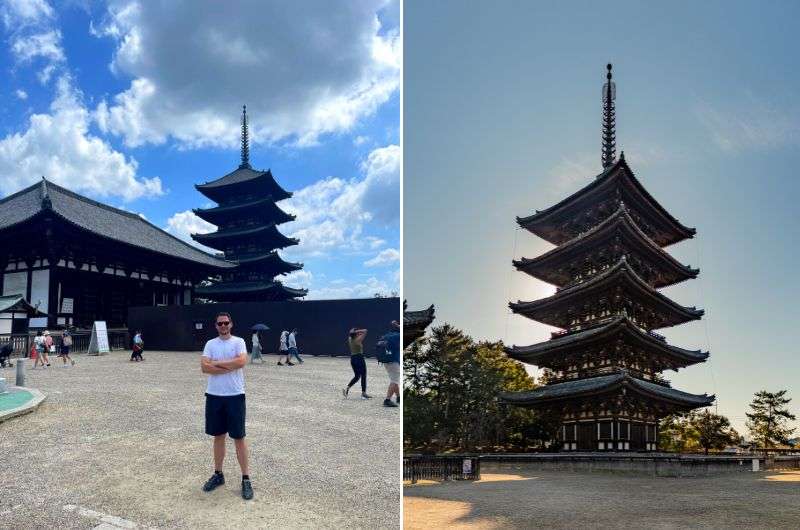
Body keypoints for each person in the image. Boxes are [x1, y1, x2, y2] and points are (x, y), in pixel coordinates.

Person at [200, 312, 253, 500]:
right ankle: (218, 474)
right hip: (214, 395)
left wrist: (217, 363)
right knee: (218, 437)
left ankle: (246, 478)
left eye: (226, 323)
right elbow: (204, 367)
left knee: (239, 437)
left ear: (231, 324)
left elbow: (241, 362)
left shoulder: (239, 342)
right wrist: (229, 365)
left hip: (235, 395)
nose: (223, 326)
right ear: (216, 326)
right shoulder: (210, 344)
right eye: (220, 323)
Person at [342, 328, 371, 399]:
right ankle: (363, 393)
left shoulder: (350, 339)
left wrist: (355, 332)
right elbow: (365, 330)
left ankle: (347, 389)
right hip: (359, 358)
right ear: (355, 334)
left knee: (357, 376)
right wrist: (358, 331)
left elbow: (353, 333)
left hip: (353, 359)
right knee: (363, 375)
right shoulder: (358, 340)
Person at [381, 321, 401, 408]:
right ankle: (387, 400)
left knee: (394, 379)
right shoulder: (398, 336)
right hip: (394, 361)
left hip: (386, 361)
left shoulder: (386, 335)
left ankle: (399, 397)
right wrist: (399, 326)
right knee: (394, 380)